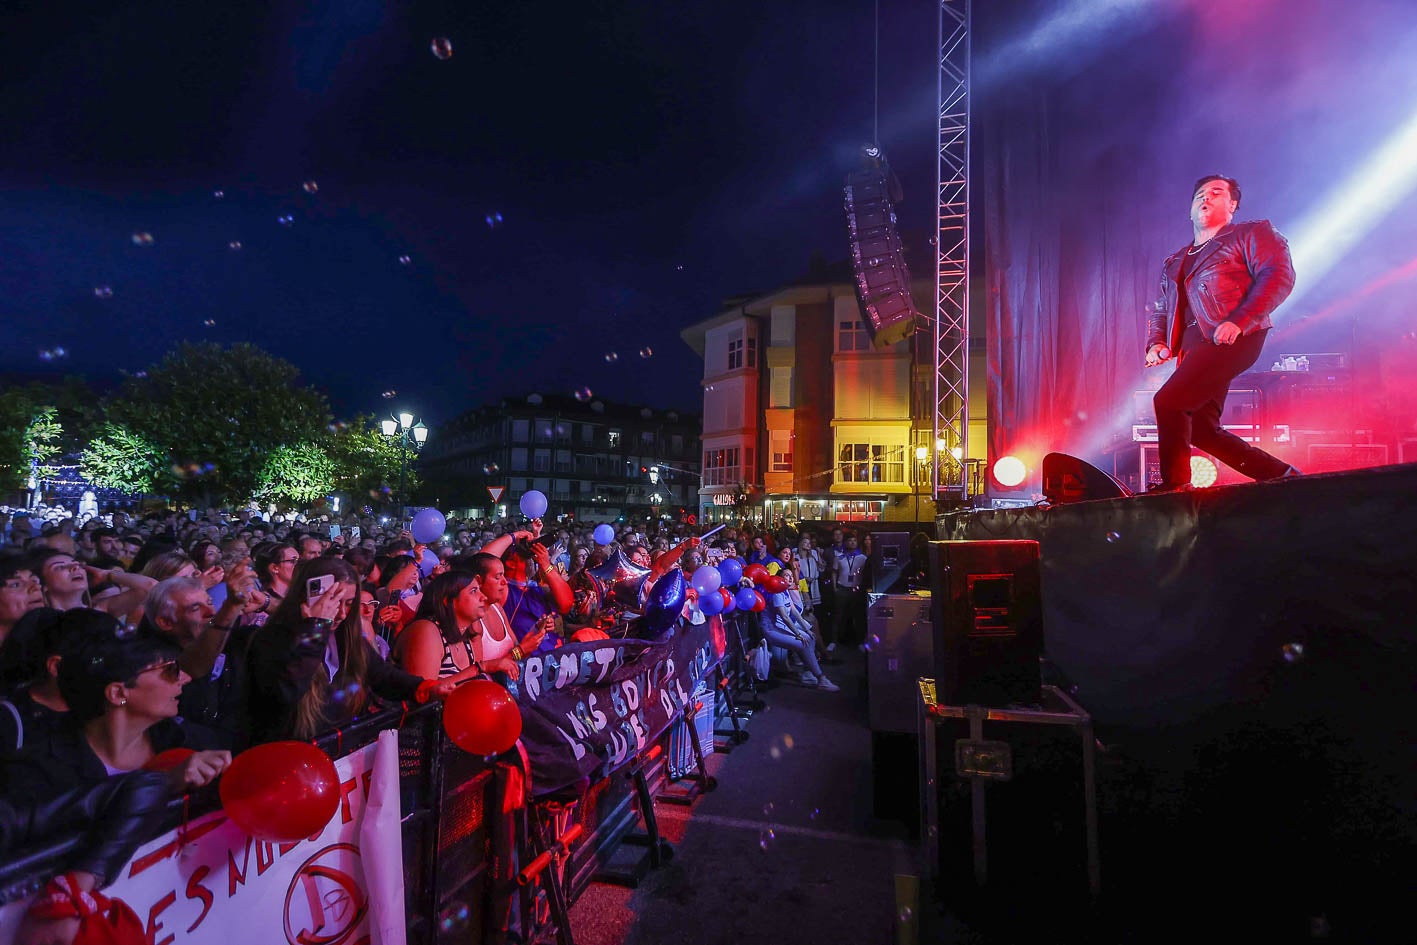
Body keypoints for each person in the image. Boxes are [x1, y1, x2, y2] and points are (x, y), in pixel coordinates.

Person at [1144, 174, 1300, 491]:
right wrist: (1157, 342)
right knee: (1201, 428)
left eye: (1217, 192)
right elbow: (1161, 307)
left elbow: (1278, 275)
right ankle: (1283, 476)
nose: (1207, 197)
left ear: (1232, 205)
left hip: (1234, 336)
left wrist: (1240, 320)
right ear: (1190, 210)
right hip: (1192, 348)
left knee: (1169, 402)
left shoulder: (1251, 233)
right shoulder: (1174, 261)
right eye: (1200, 194)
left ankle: (1175, 488)